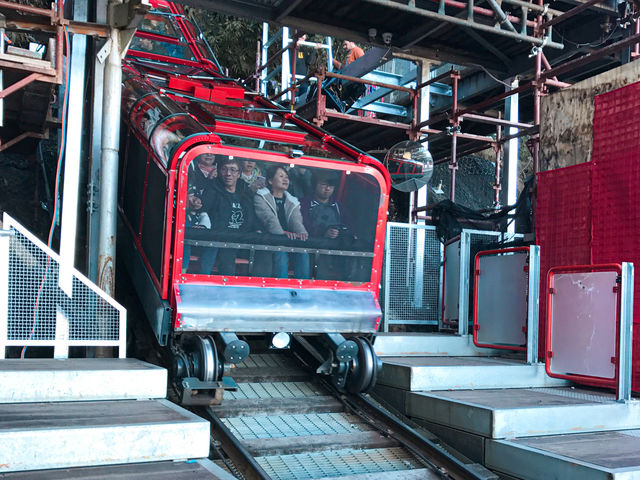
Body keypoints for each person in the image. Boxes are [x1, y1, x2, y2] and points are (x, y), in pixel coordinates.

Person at [202, 157, 257, 275]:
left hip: (244, 237)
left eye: (233, 170)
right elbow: (203, 209)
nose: (228, 174)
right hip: (220, 237)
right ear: (218, 172)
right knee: (225, 253)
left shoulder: (246, 191)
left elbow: (253, 215)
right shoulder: (212, 189)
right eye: (224, 169)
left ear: (239, 174)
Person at [254, 165, 309, 279]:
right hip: (271, 240)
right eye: (281, 176)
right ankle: (281, 288)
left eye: (287, 177)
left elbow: (296, 220)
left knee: (303, 253)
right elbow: (269, 220)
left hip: (290, 239)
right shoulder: (260, 197)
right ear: (270, 180)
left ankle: (303, 288)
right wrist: (282, 235)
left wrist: (302, 234)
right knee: (281, 254)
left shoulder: (292, 201)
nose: (285, 179)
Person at [182, 186, 216, 274]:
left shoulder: (201, 213)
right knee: (183, 238)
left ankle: (204, 276)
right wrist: (186, 204)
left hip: (198, 236)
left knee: (213, 243)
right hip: (182, 232)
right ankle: (182, 273)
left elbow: (205, 224)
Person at [291, 34, 321, 100]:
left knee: (303, 101)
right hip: (294, 80)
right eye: (301, 37)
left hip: (304, 81)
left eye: (304, 39)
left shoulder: (303, 51)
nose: (303, 40)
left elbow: (309, 62)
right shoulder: (290, 49)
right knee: (293, 101)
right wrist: (295, 46)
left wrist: (314, 49)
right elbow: (294, 61)